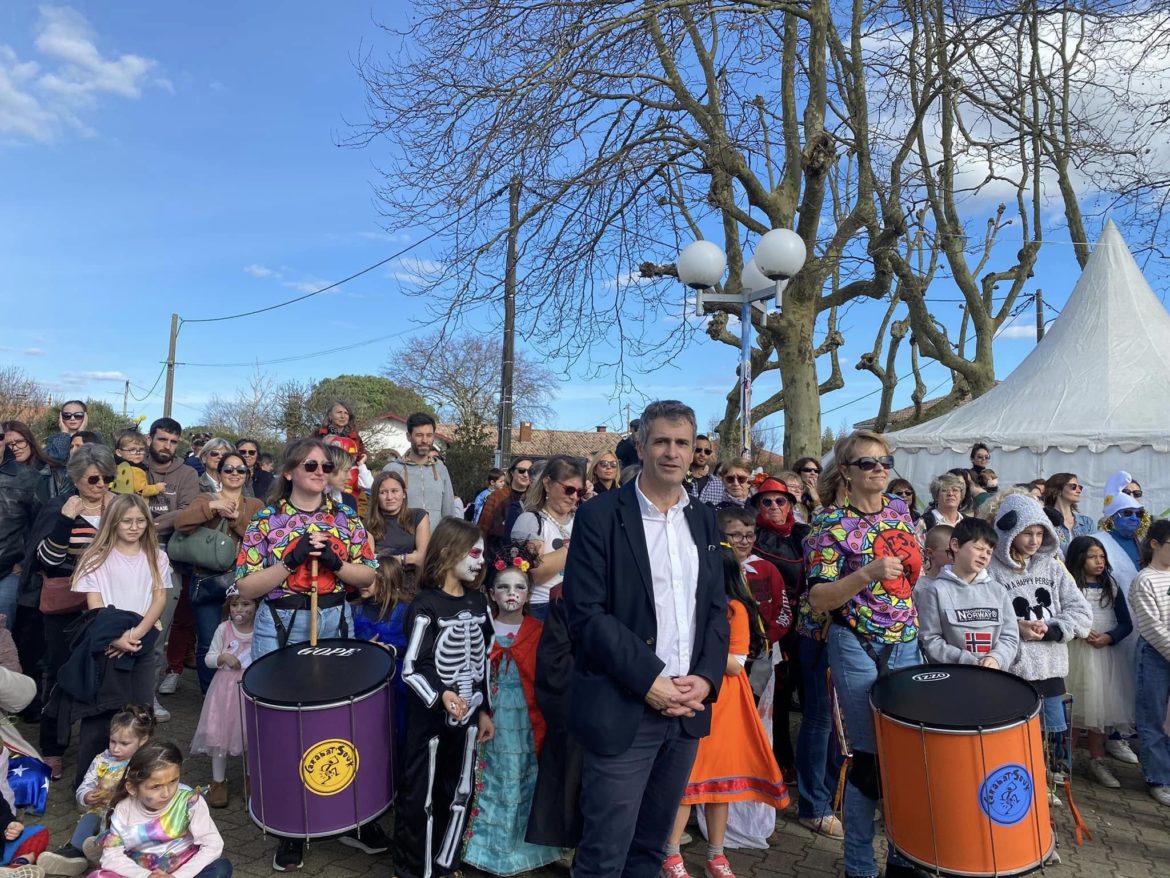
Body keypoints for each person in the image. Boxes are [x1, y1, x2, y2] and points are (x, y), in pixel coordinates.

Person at [564, 400, 729, 878]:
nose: (673, 453)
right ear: (640, 444)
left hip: (687, 712)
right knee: (603, 856)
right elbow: (586, 615)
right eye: (661, 441)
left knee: (651, 851)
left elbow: (715, 609)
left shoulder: (702, 518)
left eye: (683, 443)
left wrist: (706, 677)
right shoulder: (599, 516)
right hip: (624, 709)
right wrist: (649, 680)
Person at [234, 437, 379, 870]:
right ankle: (289, 825)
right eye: (311, 465)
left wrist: (336, 564)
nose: (320, 472)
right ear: (290, 471)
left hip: (334, 621)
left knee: (340, 716)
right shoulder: (265, 521)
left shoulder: (346, 518)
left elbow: (367, 576)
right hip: (280, 624)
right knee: (281, 724)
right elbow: (245, 586)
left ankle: (351, 816)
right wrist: (288, 561)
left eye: (325, 466)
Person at [804, 430, 923, 878]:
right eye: (868, 463)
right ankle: (859, 865)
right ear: (847, 473)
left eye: (885, 462)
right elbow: (818, 598)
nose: (879, 470)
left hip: (905, 639)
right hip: (855, 639)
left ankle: (901, 858)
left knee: (904, 752)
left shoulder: (900, 512)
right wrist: (868, 574)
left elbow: (912, 575)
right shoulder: (829, 523)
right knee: (871, 756)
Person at [660, 549, 787, 878]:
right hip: (693, 697)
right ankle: (671, 854)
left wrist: (699, 646)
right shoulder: (689, 604)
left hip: (724, 702)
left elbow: (735, 664)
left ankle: (717, 855)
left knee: (719, 783)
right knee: (687, 781)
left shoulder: (735, 610)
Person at [393, 518, 495, 878]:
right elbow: (412, 668)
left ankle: (445, 864)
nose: (480, 561)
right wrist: (442, 695)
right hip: (430, 722)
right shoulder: (425, 605)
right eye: (474, 552)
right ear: (449, 551)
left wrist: (484, 711)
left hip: (467, 722)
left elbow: (483, 660)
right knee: (421, 797)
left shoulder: (479, 602)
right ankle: (413, 870)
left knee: (459, 793)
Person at [464, 541, 563, 874]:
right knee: (488, 776)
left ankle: (524, 848)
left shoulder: (539, 631)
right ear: (491, 593)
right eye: (503, 587)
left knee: (522, 777)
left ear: (528, 593)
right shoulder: (481, 628)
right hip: (490, 714)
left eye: (519, 587)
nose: (511, 593)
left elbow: (547, 677)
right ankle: (484, 848)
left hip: (526, 718)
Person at [18, 443, 116, 780]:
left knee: (105, 676)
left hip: (108, 604)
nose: (101, 484)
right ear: (76, 478)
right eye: (93, 478)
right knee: (60, 674)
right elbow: (46, 560)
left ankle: (104, 748)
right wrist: (65, 520)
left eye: (107, 477)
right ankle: (53, 746)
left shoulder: (119, 507)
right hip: (65, 605)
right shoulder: (59, 507)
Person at [987, 493, 1092, 795]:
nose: (1034, 540)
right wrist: (1015, 627)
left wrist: (1054, 629)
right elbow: (985, 615)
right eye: (1027, 533)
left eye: (1039, 533)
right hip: (1012, 670)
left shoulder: (1054, 567)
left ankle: (1048, 787)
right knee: (1013, 736)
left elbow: (1082, 612)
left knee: (1052, 734)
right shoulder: (991, 569)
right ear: (1008, 530)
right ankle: (1019, 788)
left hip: (1050, 668)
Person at [68, 494, 171, 778]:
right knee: (102, 713)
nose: (134, 526)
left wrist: (136, 634)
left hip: (143, 640)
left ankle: (140, 776)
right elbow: (95, 603)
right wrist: (115, 638)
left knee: (140, 711)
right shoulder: (96, 557)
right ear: (113, 522)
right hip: (107, 643)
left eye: (140, 521)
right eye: (127, 521)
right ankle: (91, 782)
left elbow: (159, 597)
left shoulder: (156, 556)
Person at [165, 453, 263, 696]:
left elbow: (261, 537)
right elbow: (182, 524)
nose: (234, 473)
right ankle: (210, 696)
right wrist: (212, 507)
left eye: (240, 470)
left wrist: (237, 518)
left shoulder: (255, 505)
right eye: (228, 469)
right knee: (208, 642)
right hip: (207, 579)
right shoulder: (205, 498)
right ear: (219, 474)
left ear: (247, 475)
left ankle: (243, 692)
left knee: (249, 638)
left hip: (242, 582)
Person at [38, 705, 156, 876]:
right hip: (101, 810)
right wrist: (86, 796)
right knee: (89, 818)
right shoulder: (102, 760)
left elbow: (149, 797)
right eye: (112, 741)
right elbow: (86, 783)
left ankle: (108, 854)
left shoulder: (144, 765)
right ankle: (74, 853)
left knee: (119, 829)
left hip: (130, 817)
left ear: (143, 740)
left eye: (124, 744)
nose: (116, 748)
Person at [93, 741, 230, 878]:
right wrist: (146, 876)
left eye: (173, 781)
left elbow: (213, 844)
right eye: (156, 787)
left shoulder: (189, 801)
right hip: (140, 870)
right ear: (132, 788)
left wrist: (178, 876)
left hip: (184, 866)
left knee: (220, 868)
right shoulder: (124, 810)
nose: (166, 793)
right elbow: (112, 856)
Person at [745, 478, 807, 782]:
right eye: (766, 502)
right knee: (772, 695)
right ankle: (774, 760)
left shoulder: (803, 534)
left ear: (790, 505)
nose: (773, 507)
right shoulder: (751, 536)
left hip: (805, 624)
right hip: (767, 624)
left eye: (780, 501)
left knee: (804, 695)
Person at [1063, 536, 1134, 789]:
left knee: (1100, 713)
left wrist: (1109, 637)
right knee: (1074, 711)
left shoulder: (1111, 587)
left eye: (1102, 557)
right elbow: (1060, 616)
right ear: (1079, 558)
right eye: (1093, 556)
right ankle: (1064, 761)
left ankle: (1097, 760)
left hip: (1104, 657)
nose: (1099, 562)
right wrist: (1080, 630)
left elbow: (1126, 623)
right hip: (1076, 655)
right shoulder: (1069, 585)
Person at [141, 418, 200, 723]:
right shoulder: (134, 465)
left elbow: (186, 514)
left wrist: (141, 522)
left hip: (167, 555)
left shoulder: (187, 473)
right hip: (129, 554)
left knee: (157, 628)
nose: (167, 446)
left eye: (173, 442)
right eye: (162, 439)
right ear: (150, 438)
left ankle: (147, 696)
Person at [915, 517, 1019, 670]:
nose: (984, 555)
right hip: (954, 678)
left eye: (989, 552)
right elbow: (930, 639)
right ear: (955, 545)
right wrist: (964, 659)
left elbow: (1010, 636)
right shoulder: (935, 590)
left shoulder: (998, 591)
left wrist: (996, 658)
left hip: (994, 676)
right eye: (978, 548)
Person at [190, 592, 256, 809]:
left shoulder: (261, 630)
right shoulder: (223, 629)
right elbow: (208, 658)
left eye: (245, 603)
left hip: (250, 689)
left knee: (249, 735)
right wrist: (223, 657)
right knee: (220, 736)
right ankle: (218, 781)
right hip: (224, 692)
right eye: (234, 605)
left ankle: (250, 778)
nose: (239, 609)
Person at [352, 555, 410, 782]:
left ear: (386, 580)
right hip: (365, 685)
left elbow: (415, 646)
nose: (362, 583)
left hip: (397, 685)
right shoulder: (354, 610)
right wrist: (364, 649)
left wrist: (391, 650)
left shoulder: (405, 611)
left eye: (370, 579)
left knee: (397, 734)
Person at [510, 455, 586, 622]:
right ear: (547, 483)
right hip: (542, 607)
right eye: (569, 489)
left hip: (577, 607)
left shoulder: (582, 521)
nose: (574, 497)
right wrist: (575, 546)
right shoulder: (530, 521)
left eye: (580, 492)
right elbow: (534, 573)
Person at [1129, 519, 1170, 806]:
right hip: (1155, 655)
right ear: (1154, 544)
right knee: (1152, 716)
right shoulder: (1144, 580)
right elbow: (1151, 627)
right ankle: (1158, 777)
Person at [0, 426, 42, 631]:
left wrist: (25, 562)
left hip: (8, 570)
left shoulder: (28, 477)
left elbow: (40, 525)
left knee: (3, 637)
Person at [382, 412, 455, 526]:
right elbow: (380, 510)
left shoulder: (441, 470)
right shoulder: (392, 470)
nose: (425, 440)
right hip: (402, 540)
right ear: (408, 436)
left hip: (435, 541)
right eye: (419, 435)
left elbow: (448, 511)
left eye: (429, 435)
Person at [366, 472, 430, 596]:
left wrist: (387, 557)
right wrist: (409, 557)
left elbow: (423, 558)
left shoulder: (418, 516)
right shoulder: (367, 524)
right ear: (376, 497)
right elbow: (369, 563)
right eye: (383, 492)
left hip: (414, 588)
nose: (390, 497)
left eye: (395, 491)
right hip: (382, 589)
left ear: (404, 494)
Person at [479, 458, 534, 554]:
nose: (525, 475)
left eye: (530, 472)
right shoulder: (497, 496)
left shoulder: (535, 499)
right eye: (521, 471)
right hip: (498, 551)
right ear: (512, 472)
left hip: (526, 554)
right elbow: (484, 526)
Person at [1041, 473, 1094, 550]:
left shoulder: (1087, 522)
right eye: (1073, 487)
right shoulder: (1045, 520)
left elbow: (1094, 550)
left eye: (1080, 487)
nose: (1079, 491)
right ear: (1058, 489)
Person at [109, 431, 165, 501]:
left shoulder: (118, 467)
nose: (138, 453)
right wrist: (157, 488)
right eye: (132, 450)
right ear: (119, 452)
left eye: (141, 449)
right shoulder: (136, 470)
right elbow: (141, 491)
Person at [914, 472, 965, 541]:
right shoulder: (924, 522)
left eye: (955, 490)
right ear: (936, 496)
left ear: (961, 496)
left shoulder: (968, 521)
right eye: (944, 490)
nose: (950, 494)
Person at [684, 435, 726, 507]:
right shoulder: (679, 480)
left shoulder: (718, 484)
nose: (702, 454)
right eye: (698, 450)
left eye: (707, 451)